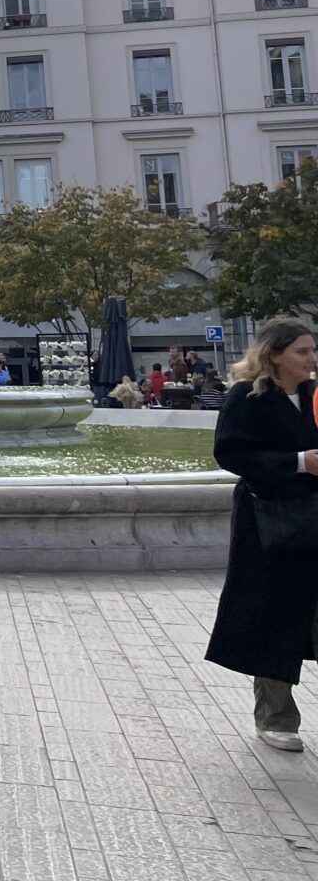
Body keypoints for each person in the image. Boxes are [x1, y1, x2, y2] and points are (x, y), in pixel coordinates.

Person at [206, 318, 318, 751]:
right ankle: (276, 717)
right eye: (302, 352)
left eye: (312, 350)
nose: (312, 359)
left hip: (314, 513)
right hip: (271, 521)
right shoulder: (246, 397)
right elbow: (229, 451)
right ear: (275, 354)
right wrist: (297, 462)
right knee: (277, 613)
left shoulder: (314, 396)